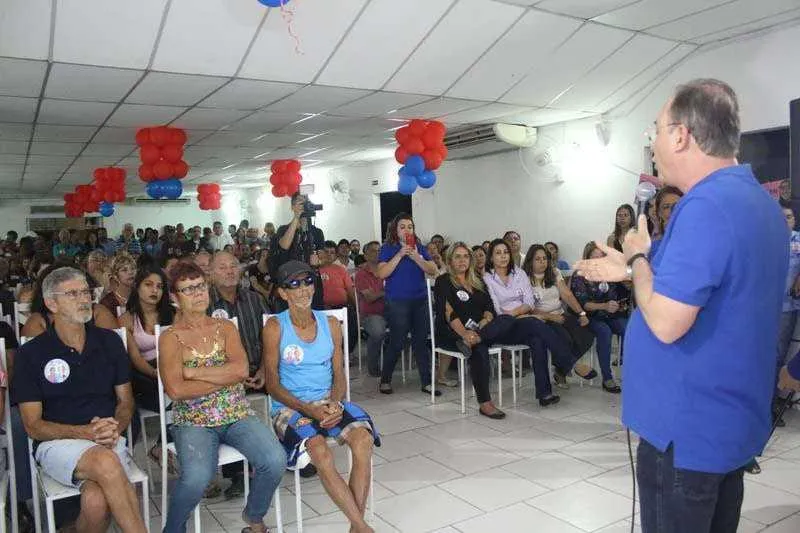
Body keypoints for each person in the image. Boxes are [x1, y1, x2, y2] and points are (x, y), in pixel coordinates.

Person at [575, 79, 788, 533]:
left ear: (680, 135)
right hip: (727, 423)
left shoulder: (705, 206)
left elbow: (669, 321)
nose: (652, 144)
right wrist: (635, 271)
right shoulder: (759, 203)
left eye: (654, 130)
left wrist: (636, 255)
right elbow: (710, 291)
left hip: (684, 431)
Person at [12, 267, 147, 533]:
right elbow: (32, 425)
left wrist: (113, 429)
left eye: (85, 291)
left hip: (106, 436)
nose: (83, 299)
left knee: (96, 502)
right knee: (106, 463)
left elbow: (126, 402)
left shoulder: (109, 342)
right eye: (72, 294)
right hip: (57, 442)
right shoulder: (31, 354)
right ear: (51, 303)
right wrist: (85, 432)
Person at [159, 262, 284, 533]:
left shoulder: (225, 327)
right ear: (174, 298)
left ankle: (254, 517)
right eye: (188, 289)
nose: (198, 293)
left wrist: (192, 372)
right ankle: (173, 528)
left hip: (236, 413)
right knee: (196, 479)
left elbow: (240, 370)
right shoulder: (170, 338)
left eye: (201, 286)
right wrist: (221, 377)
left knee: (275, 459)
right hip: (194, 420)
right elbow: (176, 390)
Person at [263, 261, 379, 533]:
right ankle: (362, 527)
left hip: (327, 401)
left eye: (307, 282)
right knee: (319, 450)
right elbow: (272, 384)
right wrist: (308, 409)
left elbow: (339, 375)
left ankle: (355, 528)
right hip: (289, 407)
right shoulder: (274, 327)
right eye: (294, 284)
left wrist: (335, 403)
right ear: (283, 293)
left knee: (363, 439)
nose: (303, 289)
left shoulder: (331, 324)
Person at [483, 239, 584, 406]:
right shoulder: (488, 278)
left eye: (506, 252)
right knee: (535, 324)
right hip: (503, 327)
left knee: (537, 340)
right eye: (498, 253)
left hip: (523, 321)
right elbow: (497, 309)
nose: (503, 256)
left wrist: (516, 313)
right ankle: (569, 362)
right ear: (491, 258)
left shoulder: (519, 274)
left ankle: (544, 394)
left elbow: (529, 302)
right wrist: (519, 314)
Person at [434, 243, 511, 418]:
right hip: (453, 334)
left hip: (478, 332)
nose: (462, 260)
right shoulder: (443, 281)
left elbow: (489, 307)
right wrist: (465, 334)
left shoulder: (478, 280)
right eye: (457, 257)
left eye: (466, 256)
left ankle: (477, 339)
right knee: (480, 350)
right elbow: (448, 312)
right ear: (450, 260)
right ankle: (485, 403)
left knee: (506, 319)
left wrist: (483, 323)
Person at [377, 213, 439, 395]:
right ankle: (385, 380)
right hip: (397, 301)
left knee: (421, 341)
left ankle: (427, 383)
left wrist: (416, 257)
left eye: (410, 227)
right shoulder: (388, 248)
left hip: (420, 300)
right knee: (397, 341)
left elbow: (433, 270)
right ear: (396, 230)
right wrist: (399, 255)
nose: (407, 230)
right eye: (402, 227)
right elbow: (382, 274)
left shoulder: (419, 247)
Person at [522, 244, 596, 389]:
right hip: (541, 319)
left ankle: (561, 370)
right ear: (530, 261)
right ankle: (570, 367)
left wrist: (581, 313)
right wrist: (550, 317)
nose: (542, 262)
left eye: (544, 258)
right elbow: (528, 309)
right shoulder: (524, 278)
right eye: (538, 259)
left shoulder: (554, 272)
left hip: (560, 313)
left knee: (586, 335)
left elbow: (566, 294)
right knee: (566, 339)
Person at [570, 242, 627, 393]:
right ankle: (607, 378)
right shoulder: (579, 274)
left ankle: (633, 373)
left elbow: (613, 296)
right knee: (604, 331)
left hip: (607, 314)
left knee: (627, 327)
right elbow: (584, 304)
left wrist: (616, 304)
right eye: (595, 258)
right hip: (587, 316)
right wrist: (605, 306)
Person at [118, 265, 175, 413]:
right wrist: (155, 373)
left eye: (159, 286)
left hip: (173, 365)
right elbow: (135, 357)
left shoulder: (173, 314)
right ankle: (171, 412)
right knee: (133, 378)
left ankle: (171, 414)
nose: (155, 290)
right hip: (146, 372)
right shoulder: (127, 319)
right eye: (148, 284)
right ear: (137, 287)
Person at [274, 193, 326, 310]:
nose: (304, 206)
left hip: (311, 280)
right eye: (300, 203)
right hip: (291, 280)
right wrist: (297, 217)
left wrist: (319, 261)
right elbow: (284, 246)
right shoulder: (283, 229)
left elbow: (323, 258)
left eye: (306, 202)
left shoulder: (317, 232)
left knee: (314, 313)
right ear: (292, 207)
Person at [319, 242, 358, 354]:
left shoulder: (341, 270)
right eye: (326, 252)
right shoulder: (314, 270)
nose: (329, 255)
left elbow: (350, 290)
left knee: (352, 324)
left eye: (332, 253)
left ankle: (346, 353)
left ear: (336, 255)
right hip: (321, 308)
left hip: (342, 307)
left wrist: (356, 307)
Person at [354, 242, 386, 378]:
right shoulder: (361, 274)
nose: (377, 253)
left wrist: (381, 292)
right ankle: (373, 366)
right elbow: (370, 298)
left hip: (391, 311)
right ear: (365, 255)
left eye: (379, 250)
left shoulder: (386, 270)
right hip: (371, 314)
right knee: (378, 332)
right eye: (373, 251)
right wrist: (386, 291)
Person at [649, 185, 684, 259]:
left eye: (677, 205)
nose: (673, 209)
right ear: (659, 213)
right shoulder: (653, 247)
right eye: (666, 207)